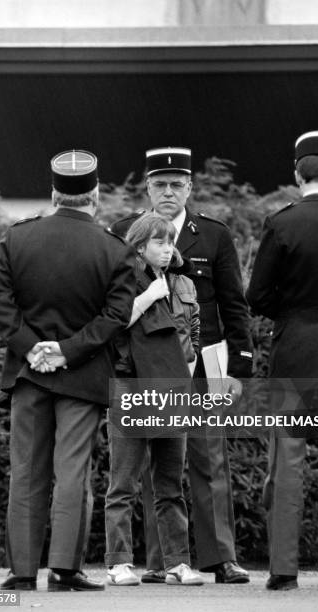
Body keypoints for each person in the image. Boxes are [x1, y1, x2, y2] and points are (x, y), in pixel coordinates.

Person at [0, 149, 136, 591]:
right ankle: (65, 569)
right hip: (83, 375)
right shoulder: (115, 249)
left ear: (54, 193)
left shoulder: (17, 239)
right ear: (95, 195)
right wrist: (67, 350)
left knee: (27, 471)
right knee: (72, 473)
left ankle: (23, 572)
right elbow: (115, 316)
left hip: (30, 375)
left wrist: (33, 349)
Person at [112, 147, 253, 584]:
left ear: (190, 188)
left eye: (177, 184)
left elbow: (234, 304)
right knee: (157, 465)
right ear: (148, 188)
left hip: (201, 362)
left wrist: (240, 364)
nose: (168, 192)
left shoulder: (212, 234)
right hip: (146, 364)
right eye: (160, 184)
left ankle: (221, 558)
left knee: (209, 459)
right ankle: (162, 561)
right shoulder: (121, 233)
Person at [247, 130, 318, 591]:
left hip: (294, 355)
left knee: (287, 463)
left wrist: (290, 314)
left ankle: (283, 571)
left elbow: (257, 296)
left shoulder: (281, 223)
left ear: (296, 174)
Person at [105, 213, 203, 586]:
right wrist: (149, 295)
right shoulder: (123, 278)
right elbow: (113, 323)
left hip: (172, 387)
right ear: (140, 245)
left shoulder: (180, 282)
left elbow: (193, 333)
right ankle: (119, 562)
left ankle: (177, 563)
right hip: (131, 386)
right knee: (124, 482)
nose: (167, 249)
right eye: (160, 242)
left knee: (169, 482)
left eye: (170, 241)